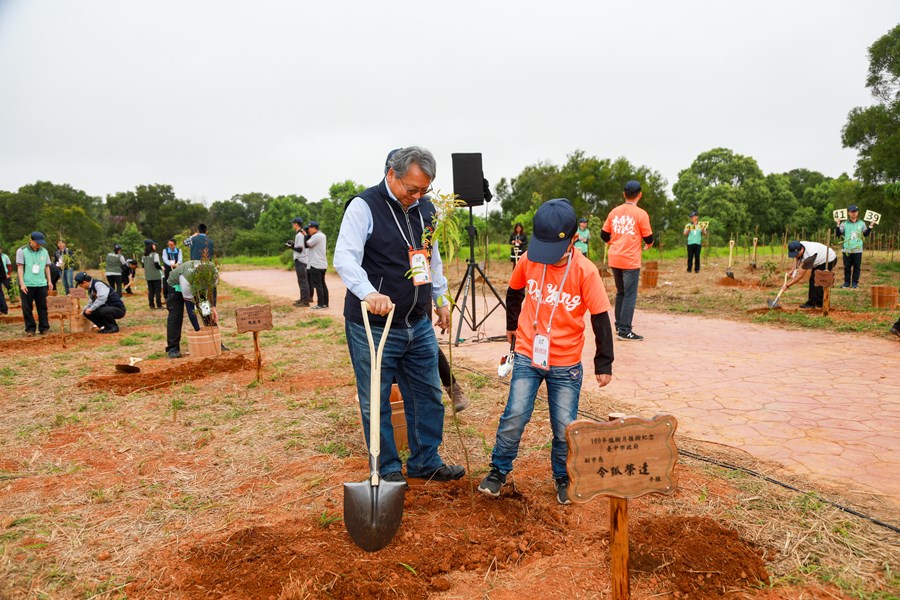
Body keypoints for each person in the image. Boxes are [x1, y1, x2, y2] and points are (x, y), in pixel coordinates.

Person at [333, 145, 464, 486]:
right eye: (411, 189)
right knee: (376, 400)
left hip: (417, 322)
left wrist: (440, 299)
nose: (417, 196)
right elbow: (345, 258)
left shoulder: (426, 210)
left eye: (424, 190)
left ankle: (426, 461)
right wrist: (369, 293)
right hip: (374, 325)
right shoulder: (364, 206)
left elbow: (430, 259)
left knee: (427, 394)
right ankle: (388, 469)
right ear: (391, 174)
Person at [478, 199, 614, 505]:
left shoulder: (585, 271)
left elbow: (601, 316)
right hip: (528, 352)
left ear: (573, 239)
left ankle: (564, 478)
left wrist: (603, 362)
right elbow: (514, 290)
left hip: (565, 363)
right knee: (514, 415)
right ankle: (498, 471)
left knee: (565, 426)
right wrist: (512, 324)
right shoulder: (530, 259)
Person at [601, 180, 654, 341]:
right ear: (640, 195)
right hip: (630, 260)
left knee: (620, 292)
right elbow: (648, 237)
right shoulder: (641, 214)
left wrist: (613, 243)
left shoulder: (614, 212)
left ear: (624, 194)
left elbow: (604, 234)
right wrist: (648, 245)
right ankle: (625, 330)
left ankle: (619, 325)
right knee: (630, 295)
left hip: (615, 257)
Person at [164, 260, 218, 358]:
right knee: (176, 315)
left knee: (206, 311)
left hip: (196, 284)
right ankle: (173, 348)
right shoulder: (187, 280)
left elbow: (212, 289)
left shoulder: (213, 272)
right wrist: (198, 332)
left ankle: (215, 341)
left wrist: (213, 306)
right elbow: (190, 309)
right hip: (175, 285)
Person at [781, 241, 838, 309]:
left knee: (815, 280)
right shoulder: (798, 245)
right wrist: (793, 270)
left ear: (802, 249)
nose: (795, 255)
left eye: (796, 253)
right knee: (816, 281)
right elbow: (797, 257)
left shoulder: (809, 257)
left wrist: (787, 285)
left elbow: (800, 276)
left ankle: (812, 303)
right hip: (820, 256)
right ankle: (819, 302)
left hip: (828, 259)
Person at [16, 232, 52, 336]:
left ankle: (44, 328)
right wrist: (22, 283)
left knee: (43, 307)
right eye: (37, 243)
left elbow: (47, 267)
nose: (39, 245)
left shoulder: (44, 251)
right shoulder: (22, 251)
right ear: (31, 240)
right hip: (27, 284)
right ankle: (30, 329)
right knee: (27, 307)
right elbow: (20, 267)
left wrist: (49, 281)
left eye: (40, 243)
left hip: (41, 283)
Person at [835, 204, 873, 289]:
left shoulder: (862, 223)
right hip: (847, 249)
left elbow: (865, 234)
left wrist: (870, 226)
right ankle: (847, 283)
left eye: (855, 211)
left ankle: (855, 283)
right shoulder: (844, 223)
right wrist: (837, 224)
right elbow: (838, 234)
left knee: (857, 267)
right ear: (848, 213)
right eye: (852, 212)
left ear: (858, 212)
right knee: (847, 267)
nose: (853, 213)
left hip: (858, 249)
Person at [286, 217, 311, 307]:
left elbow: (300, 249)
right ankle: (303, 298)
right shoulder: (300, 234)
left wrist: (290, 247)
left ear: (296, 224)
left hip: (300, 259)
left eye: (293, 223)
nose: (292, 225)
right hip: (302, 259)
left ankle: (305, 301)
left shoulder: (299, 235)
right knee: (301, 280)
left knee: (303, 280)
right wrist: (293, 245)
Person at [306, 221, 329, 310]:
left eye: (309, 229)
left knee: (318, 285)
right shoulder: (322, 235)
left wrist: (305, 235)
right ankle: (325, 303)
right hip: (323, 264)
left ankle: (320, 304)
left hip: (316, 264)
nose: (308, 231)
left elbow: (307, 244)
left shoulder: (316, 236)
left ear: (313, 228)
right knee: (323, 284)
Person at [142, 241, 164, 309]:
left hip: (148, 276)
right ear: (151, 246)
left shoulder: (144, 256)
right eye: (154, 245)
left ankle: (151, 305)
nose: (155, 246)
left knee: (151, 291)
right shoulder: (155, 255)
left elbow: (143, 265)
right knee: (157, 291)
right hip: (156, 275)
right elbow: (156, 265)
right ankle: (159, 305)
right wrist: (162, 268)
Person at [0, 245, 13, 315]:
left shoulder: (5, 256)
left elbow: (9, 265)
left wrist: (9, 274)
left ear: (1, 249)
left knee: (10, 287)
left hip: (5, 275)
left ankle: (13, 300)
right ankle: (3, 307)